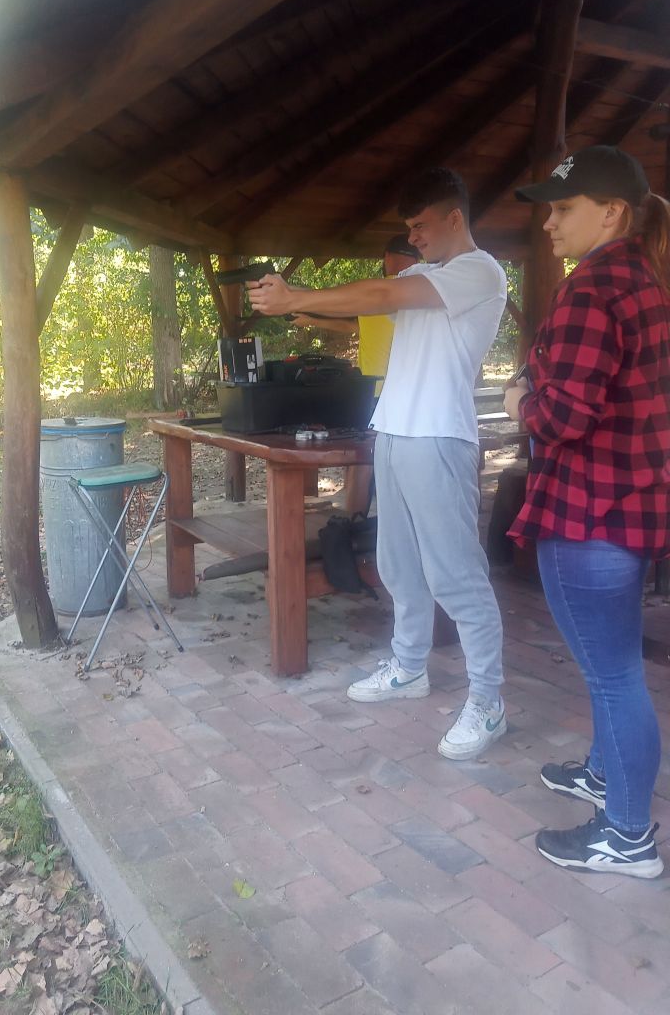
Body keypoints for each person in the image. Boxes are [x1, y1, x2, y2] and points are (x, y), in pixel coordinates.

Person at [249, 168, 509, 760]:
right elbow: (370, 301)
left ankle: (488, 701)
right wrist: (302, 307)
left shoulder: (480, 271)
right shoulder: (420, 275)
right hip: (393, 432)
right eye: (408, 228)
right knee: (397, 564)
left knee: (456, 576)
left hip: (438, 436)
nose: (413, 237)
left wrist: (295, 297)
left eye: (420, 225)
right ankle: (409, 666)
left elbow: (384, 295)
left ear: (454, 218)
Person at [504, 145, 670, 878]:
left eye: (564, 208)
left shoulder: (593, 287)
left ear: (612, 213)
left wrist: (519, 398)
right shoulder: (648, 279)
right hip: (631, 505)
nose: (549, 223)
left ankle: (628, 838)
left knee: (614, 676)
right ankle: (604, 774)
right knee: (616, 664)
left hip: (587, 512)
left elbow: (562, 417)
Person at [293, 236, 423, 514]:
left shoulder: (380, 293)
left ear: (386, 257)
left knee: (363, 462)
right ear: (417, 259)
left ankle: (352, 525)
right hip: (400, 395)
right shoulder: (414, 294)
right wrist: (311, 318)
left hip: (376, 394)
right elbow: (356, 326)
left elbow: (342, 308)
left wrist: (297, 301)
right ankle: (386, 525)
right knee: (395, 464)